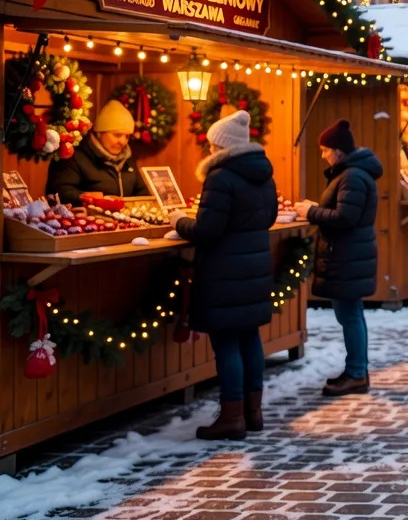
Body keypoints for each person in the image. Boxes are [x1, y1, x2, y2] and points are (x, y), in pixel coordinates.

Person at [172, 111, 277, 441]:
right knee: (249, 338)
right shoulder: (264, 175)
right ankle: (253, 412)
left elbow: (207, 229)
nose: (208, 149)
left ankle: (232, 417)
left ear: (221, 145)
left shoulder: (220, 177)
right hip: (254, 270)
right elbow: (270, 217)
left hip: (224, 271)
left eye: (211, 144)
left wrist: (178, 221)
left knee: (227, 342)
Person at [296, 119, 383, 397]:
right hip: (348, 255)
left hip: (347, 255)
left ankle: (357, 373)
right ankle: (355, 370)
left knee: (350, 315)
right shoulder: (351, 174)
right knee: (350, 314)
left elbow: (345, 217)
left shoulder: (353, 176)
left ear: (339, 151)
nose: (323, 154)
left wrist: (310, 212)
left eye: (325, 149)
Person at [47, 100, 150, 204]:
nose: (123, 141)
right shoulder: (74, 155)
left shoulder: (128, 159)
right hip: (85, 218)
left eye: (127, 136)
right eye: (117, 135)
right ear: (100, 133)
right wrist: (87, 198)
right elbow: (60, 191)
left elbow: (142, 192)